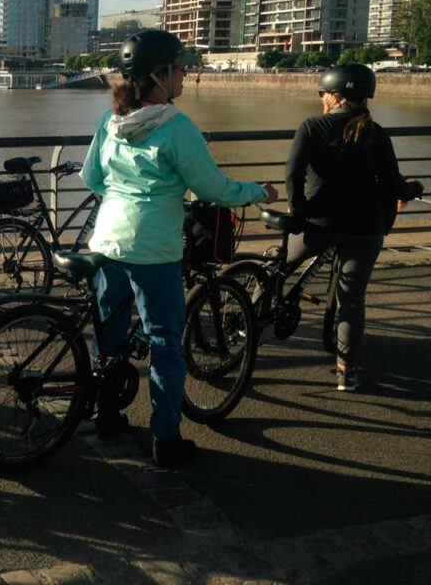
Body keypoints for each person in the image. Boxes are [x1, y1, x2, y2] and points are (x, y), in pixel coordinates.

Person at [80, 29, 277, 468]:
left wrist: (123, 198)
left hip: (107, 239)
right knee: (165, 342)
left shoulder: (109, 120)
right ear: (159, 76)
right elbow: (212, 187)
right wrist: (257, 192)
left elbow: (91, 177)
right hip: (153, 247)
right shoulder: (176, 127)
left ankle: (106, 413)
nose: (186, 74)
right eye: (180, 67)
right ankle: (164, 439)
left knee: (108, 334)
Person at [284, 63, 423, 392]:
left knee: (281, 265)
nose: (320, 99)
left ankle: (246, 319)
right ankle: (346, 371)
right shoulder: (376, 134)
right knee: (352, 300)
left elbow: (293, 175)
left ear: (334, 96)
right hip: (365, 228)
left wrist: (298, 210)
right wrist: (414, 189)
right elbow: (393, 185)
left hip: (318, 224)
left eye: (322, 93)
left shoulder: (312, 126)